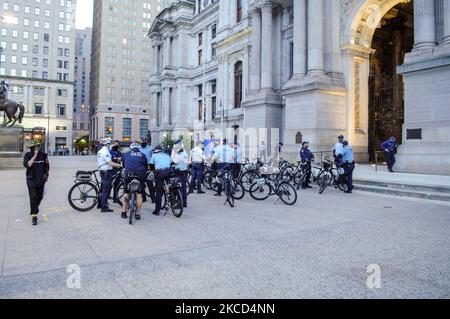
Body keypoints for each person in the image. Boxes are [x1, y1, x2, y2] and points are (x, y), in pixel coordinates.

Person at [23, 140, 49, 226]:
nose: (37, 148)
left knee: (40, 197)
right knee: (33, 197)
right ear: (32, 148)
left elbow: (47, 166)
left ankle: (34, 208)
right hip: (31, 179)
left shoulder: (44, 155)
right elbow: (28, 165)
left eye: (38, 146)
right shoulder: (28, 155)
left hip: (41, 180)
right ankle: (34, 216)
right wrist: (35, 155)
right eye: (35, 147)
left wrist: (46, 175)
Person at [121, 143, 148, 220]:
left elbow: (123, 165)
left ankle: (124, 212)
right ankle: (137, 213)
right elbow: (146, 166)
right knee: (139, 195)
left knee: (126, 193)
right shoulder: (143, 155)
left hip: (129, 174)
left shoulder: (126, 154)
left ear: (131, 148)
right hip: (140, 175)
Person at [97, 138, 122, 213]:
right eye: (109, 144)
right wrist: (119, 165)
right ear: (107, 144)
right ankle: (104, 207)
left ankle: (99, 204)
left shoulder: (100, 151)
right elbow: (110, 162)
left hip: (102, 171)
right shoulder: (105, 151)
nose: (110, 145)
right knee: (106, 190)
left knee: (103, 188)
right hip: (106, 172)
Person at [149, 145, 173, 216]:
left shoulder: (154, 155)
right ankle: (173, 198)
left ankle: (157, 210)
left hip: (160, 173)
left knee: (158, 193)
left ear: (155, 150)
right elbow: (172, 163)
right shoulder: (167, 155)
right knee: (170, 187)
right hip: (168, 172)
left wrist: (153, 170)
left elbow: (151, 164)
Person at [139, 137, 156, 203]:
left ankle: (153, 198)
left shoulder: (150, 148)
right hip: (141, 168)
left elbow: (153, 158)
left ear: (146, 141)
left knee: (150, 184)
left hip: (148, 168)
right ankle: (143, 197)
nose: (143, 141)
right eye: (142, 140)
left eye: (144, 140)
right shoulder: (138, 149)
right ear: (140, 141)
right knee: (141, 184)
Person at [110, 140, 123, 205]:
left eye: (117, 145)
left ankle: (115, 198)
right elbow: (112, 159)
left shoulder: (119, 152)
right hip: (112, 170)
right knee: (109, 185)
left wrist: (117, 158)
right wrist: (117, 158)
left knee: (117, 185)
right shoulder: (110, 152)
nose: (116, 146)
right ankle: (107, 198)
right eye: (115, 145)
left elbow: (121, 158)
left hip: (118, 170)